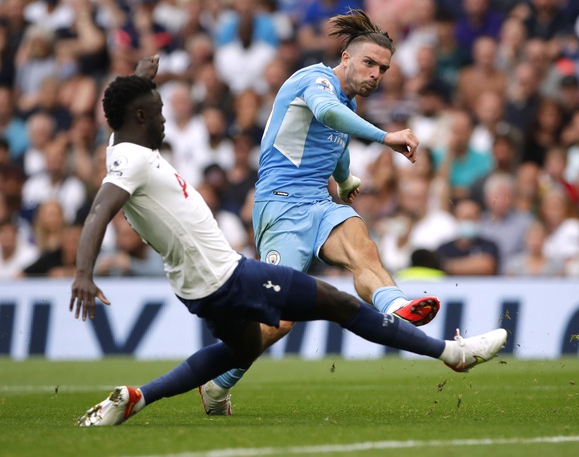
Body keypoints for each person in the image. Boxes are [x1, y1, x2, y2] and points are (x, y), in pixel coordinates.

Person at [72, 62, 508, 427]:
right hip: (230, 276)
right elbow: (98, 213)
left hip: (197, 289)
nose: (165, 118)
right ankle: (454, 353)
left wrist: (142, 81)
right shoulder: (130, 161)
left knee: (240, 350)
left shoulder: (120, 144)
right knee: (341, 305)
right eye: (158, 110)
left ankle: (138, 398)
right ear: (141, 118)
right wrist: (82, 273)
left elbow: (123, 117)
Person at [204, 10, 445, 414]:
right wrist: (387, 137)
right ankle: (216, 384)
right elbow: (329, 116)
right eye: (369, 63)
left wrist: (346, 179)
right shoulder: (312, 81)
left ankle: (396, 307)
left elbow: (333, 139)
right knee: (279, 320)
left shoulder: (346, 98)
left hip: (318, 202)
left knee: (362, 247)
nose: (376, 74)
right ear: (346, 58)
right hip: (280, 206)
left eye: (383, 69)